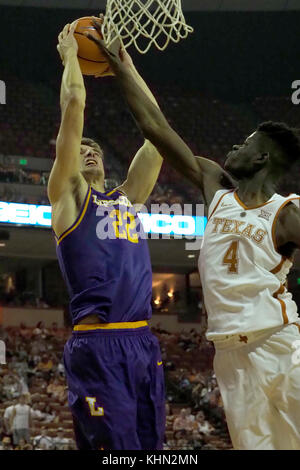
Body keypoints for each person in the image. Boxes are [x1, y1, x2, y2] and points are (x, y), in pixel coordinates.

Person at [88, 20, 300, 450]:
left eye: (243, 143)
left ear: (261, 157)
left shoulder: (287, 212)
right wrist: (124, 69)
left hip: (280, 346)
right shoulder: (214, 186)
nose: (233, 148)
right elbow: (155, 128)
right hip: (229, 356)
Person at [47, 19, 165, 450]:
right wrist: (72, 58)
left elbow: (157, 139)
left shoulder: (125, 199)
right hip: (98, 344)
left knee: (152, 450)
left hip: (141, 342)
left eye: (94, 147)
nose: (89, 149)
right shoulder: (67, 197)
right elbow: (74, 105)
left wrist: (126, 69)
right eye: (81, 148)